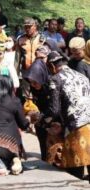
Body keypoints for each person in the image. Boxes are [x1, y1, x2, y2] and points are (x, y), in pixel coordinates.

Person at [46, 51, 90, 180]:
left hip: (76, 128)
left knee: (74, 173)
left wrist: (43, 120)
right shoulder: (82, 76)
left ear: (52, 66)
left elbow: (54, 110)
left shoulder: (56, 79)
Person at [23, 46, 64, 166]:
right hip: (41, 121)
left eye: (35, 82)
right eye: (31, 82)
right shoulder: (34, 86)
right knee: (44, 147)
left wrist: (42, 117)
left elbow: (55, 108)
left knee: (57, 150)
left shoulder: (51, 85)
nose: (33, 85)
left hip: (55, 120)